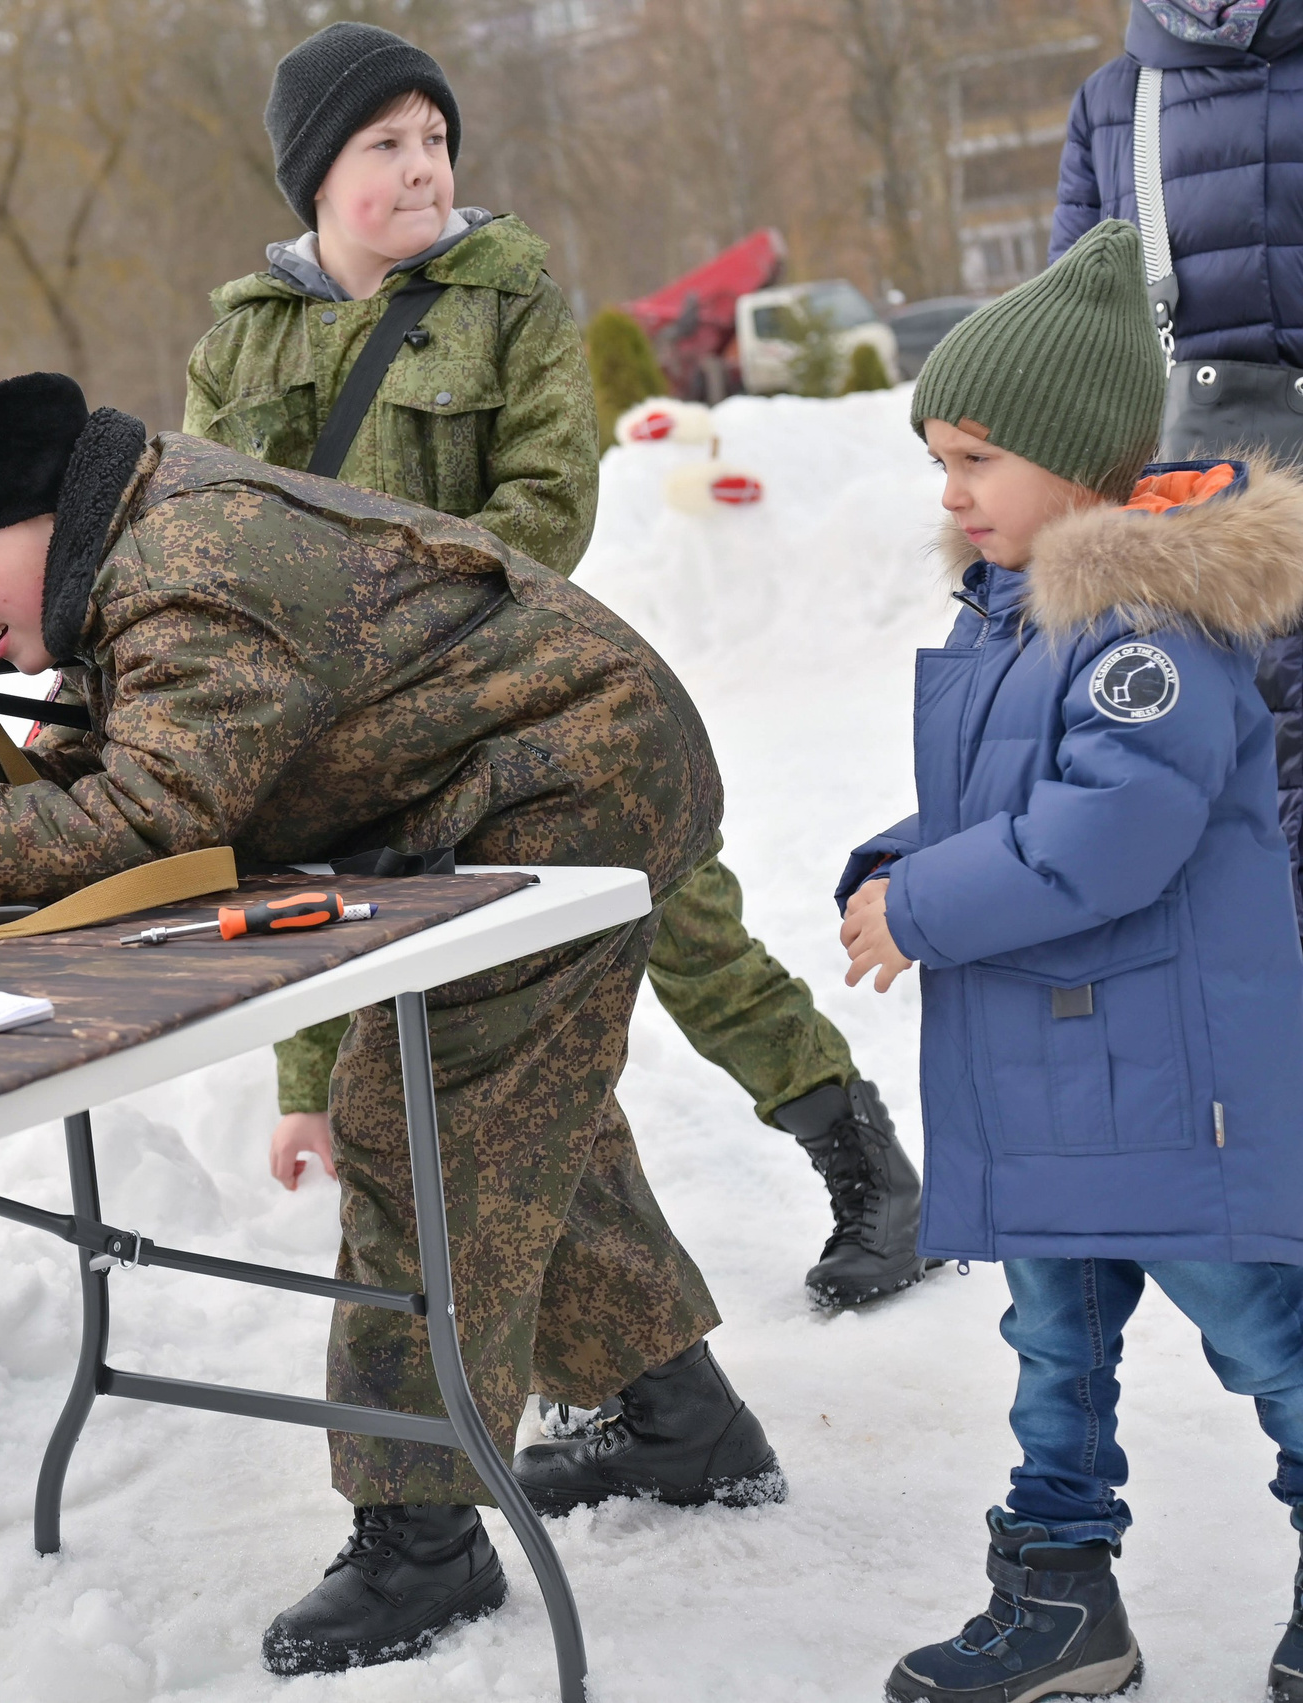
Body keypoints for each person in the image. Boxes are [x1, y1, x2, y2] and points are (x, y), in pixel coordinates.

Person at [0, 372, 781, 1675]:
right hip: (531, 768)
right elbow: (172, 751)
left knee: (417, 1118)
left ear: (42, 519)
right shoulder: (142, 537)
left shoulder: (189, 561)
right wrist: (8, 773)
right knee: (510, 1098)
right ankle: (682, 1418)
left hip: (569, 782)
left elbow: (153, 823)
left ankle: (423, 1535)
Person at [182, 19, 918, 1314]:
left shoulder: (506, 291)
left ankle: (866, 1167)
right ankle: (607, 1328)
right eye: (386, 143)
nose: (423, 167)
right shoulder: (238, 346)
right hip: (362, 739)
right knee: (386, 957)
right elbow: (217, 552)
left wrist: (396, 627)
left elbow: (550, 500)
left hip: (532, 696)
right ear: (311, 173)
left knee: (683, 926)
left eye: (438, 140)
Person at [835, 222, 1303, 1703]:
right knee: (1052, 1347)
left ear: (1084, 460)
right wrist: (900, 857)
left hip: (1169, 1085)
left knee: (1260, 1330)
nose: (953, 491)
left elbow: (1105, 834)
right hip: (1057, 1080)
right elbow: (1005, 814)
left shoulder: (1141, 625)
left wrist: (925, 906)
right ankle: (1060, 1594)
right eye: (939, 463)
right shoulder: (1016, 615)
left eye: (977, 457)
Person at [1052, 0, 1303, 957]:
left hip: (1207, 526)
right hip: (1204, 537)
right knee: (1234, 788)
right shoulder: (1115, 104)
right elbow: (1074, 350)